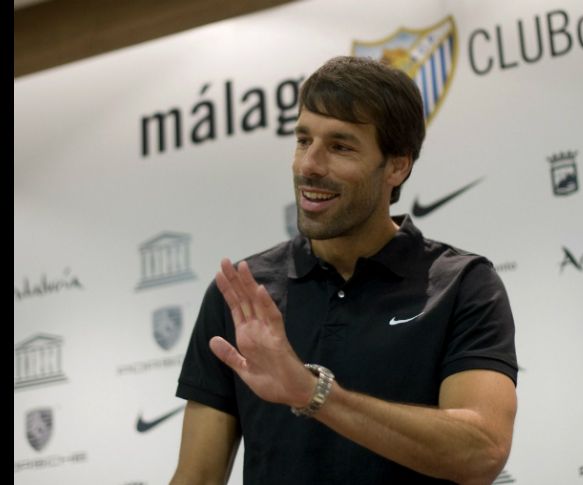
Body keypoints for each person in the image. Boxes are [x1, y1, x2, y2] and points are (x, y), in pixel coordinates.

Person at [171, 56, 518, 485]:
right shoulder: (245, 295)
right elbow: (197, 477)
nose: (309, 165)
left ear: (397, 165)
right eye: (302, 140)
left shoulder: (463, 284)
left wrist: (312, 393)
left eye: (340, 146)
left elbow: (481, 451)